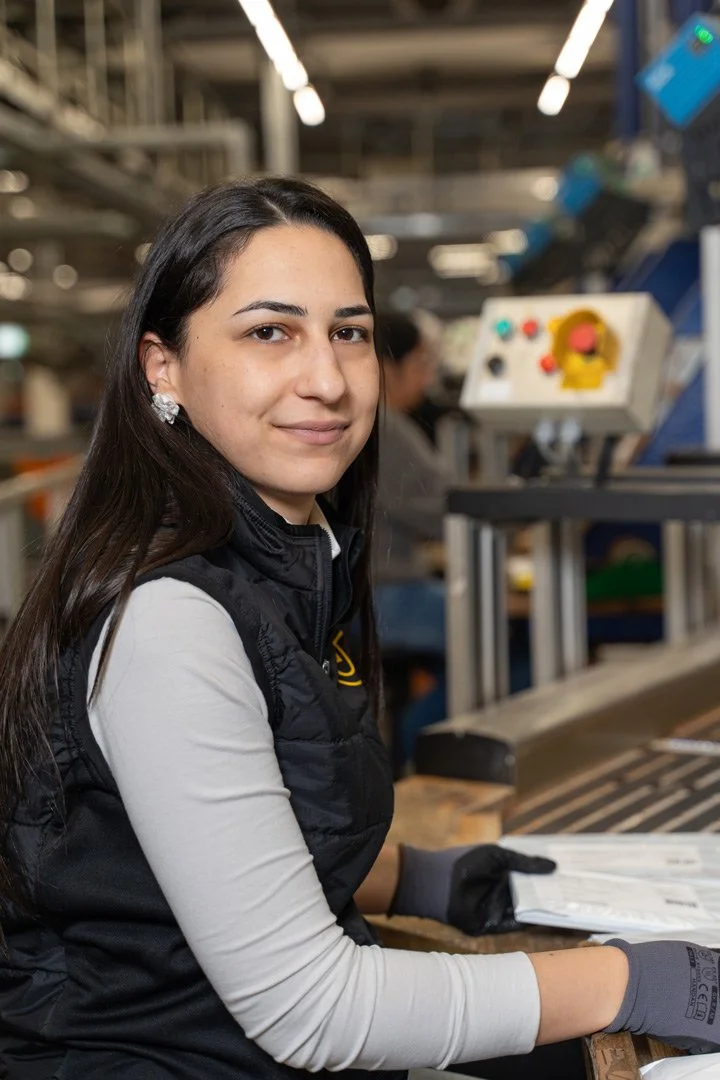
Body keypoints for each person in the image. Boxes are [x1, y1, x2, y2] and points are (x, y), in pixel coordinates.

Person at [0, 177, 717, 1080]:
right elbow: (313, 1009)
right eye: (270, 332)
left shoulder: (296, 562)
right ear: (163, 367)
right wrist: (632, 978)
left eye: (349, 332)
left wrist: (422, 880)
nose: (328, 379)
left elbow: (233, 839)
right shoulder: (169, 619)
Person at [373, 313, 450, 758]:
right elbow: (443, 511)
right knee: (504, 636)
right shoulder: (387, 426)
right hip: (388, 597)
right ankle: (431, 748)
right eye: (420, 362)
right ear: (386, 368)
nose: (427, 376)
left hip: (365, 595)